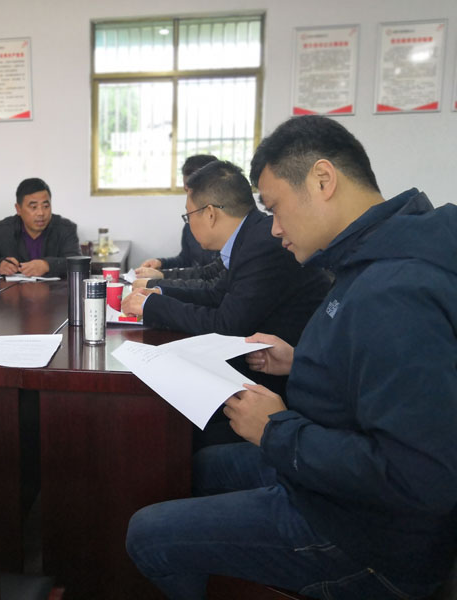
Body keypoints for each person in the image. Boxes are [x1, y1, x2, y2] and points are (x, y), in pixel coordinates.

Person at [126, 116, 457, 599]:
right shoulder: (372, 255)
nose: (275, 228)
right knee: (198, 465)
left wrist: (274, 430)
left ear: (323, 180)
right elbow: (387, 377)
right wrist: (300, 362)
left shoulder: (396, 289)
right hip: (329, 481)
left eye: (276, 207)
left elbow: (420, 478)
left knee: (147, 533)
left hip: (365, 539)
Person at [121, 160, 330, 348]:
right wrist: (159, 293)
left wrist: (153, 305)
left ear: (210, 214)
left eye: (189, 215)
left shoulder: (262, 245)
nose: (189, 223)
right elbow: (217, 294)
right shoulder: (250, 235)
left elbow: (227, 326)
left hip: (285, 366)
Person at [136, 154, 220, 284]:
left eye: (192, 191)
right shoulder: (190, 223)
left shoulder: (225, 230)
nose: (189, 197)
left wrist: (161, 278)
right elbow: (186, 260)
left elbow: (211, 279)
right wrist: (161, 263)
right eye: (186, 191)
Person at [0, 177, 80, 277]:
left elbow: (77, 262)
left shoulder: (65, 228)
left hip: (53, 287)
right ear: (18, 209)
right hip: (13, 287)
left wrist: (47, 265)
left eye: (46, 206)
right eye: (33, 207)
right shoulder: (2, 230)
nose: (41, 213)